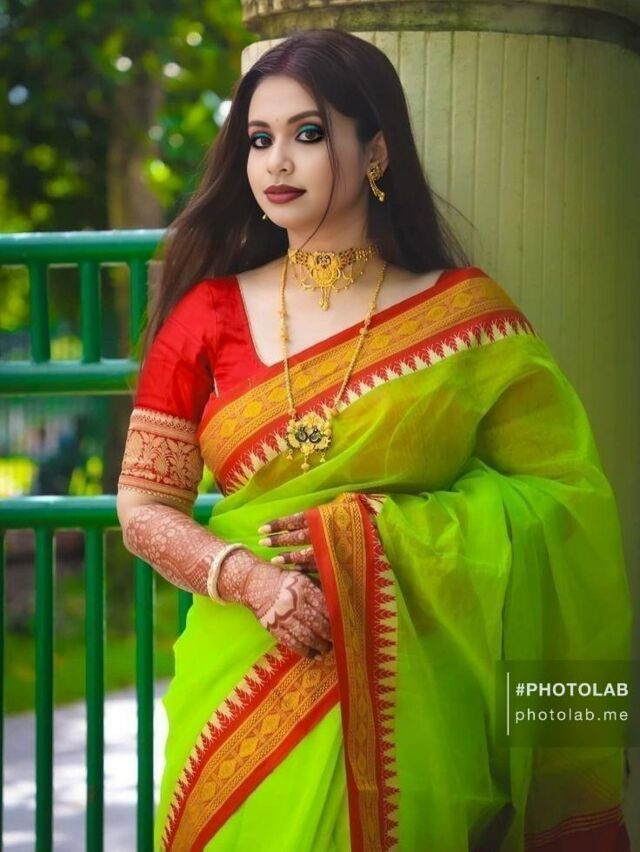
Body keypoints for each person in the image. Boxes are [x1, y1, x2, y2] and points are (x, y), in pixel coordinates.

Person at [116, 28, 633, 852]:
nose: (277, 162)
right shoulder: (206, 315)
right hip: (244, 675)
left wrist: (381, 536)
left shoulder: (466, 317)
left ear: (377, 150)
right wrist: (254, 582)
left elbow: (565, 506)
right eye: (259, 140)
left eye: (307, 133)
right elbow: (143, 506)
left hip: (421, 695)